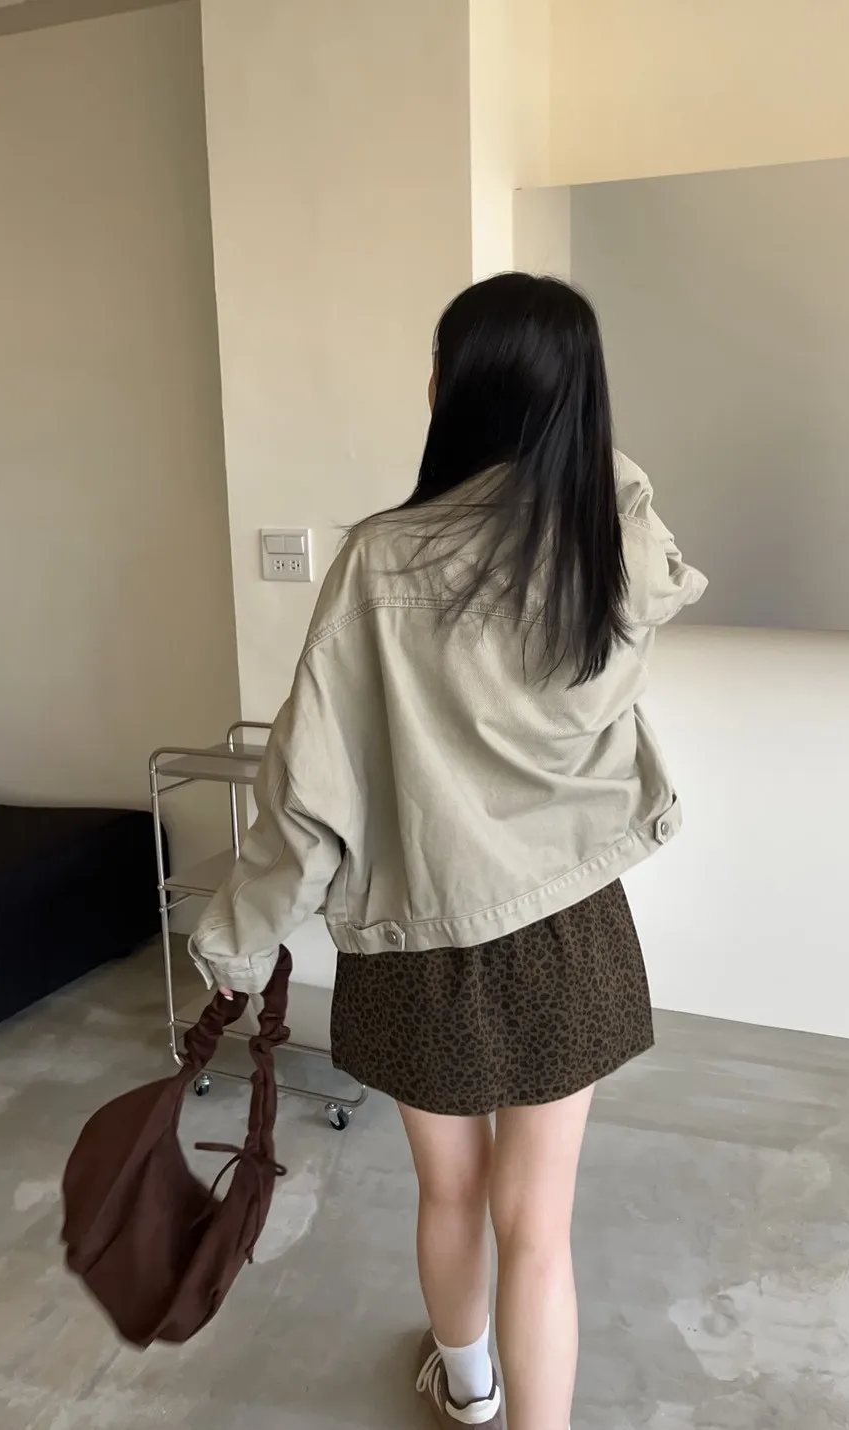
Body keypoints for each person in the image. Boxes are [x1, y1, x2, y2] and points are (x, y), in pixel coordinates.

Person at [189, 273, 706, 1430]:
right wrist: (582, 435)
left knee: (449, 1192)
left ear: (448, 387)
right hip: (567, 928)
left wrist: (237, 938)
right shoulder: (607, 544)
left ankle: (468, 1389)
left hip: (418, 932)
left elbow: (307, 787)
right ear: (582, 399)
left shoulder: (383, 560)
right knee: (539, 1224)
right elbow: (643, 522)